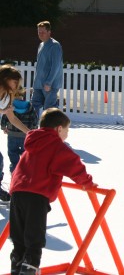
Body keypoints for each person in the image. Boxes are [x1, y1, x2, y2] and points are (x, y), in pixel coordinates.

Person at [8, 108, 97, 275]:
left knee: (19, 236)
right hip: (37, 195)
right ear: (59, 129)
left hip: (18, 192)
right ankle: (29, 267)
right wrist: (87, 183)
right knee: (34, 237)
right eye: (67, 130)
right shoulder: (55, 145)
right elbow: (73, 165)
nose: (67, 135)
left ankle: (17, 263)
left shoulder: (33, 142)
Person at [0, 65, 30, 202]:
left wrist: (29, 132)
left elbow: (12, 118)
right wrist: (2, 111)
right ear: (5, 79)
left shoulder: (8, 95)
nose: (17, 85)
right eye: (14, 82)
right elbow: (4, 112)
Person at [1, 85, 38, 174]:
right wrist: (33, 129)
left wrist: (3, 127)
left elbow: (5, 118)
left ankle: (14, 168)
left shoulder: (10, 106)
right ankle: (25, 169)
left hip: (12, 134)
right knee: (25, 152)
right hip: (25, 135)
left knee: (12, 152)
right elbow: (34, 119)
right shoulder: (29, 106)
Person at [31, 21, 63, 118]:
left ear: (49, 32)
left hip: (50, 85)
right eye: (39, 32)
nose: (40, 34)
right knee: (33, 107)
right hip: (38, 84)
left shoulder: (55, 46)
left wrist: (48, 82)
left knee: (49, 110)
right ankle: (33, 128)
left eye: (43, 32)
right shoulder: (41, 45)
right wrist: (36, 83)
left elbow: (56, 66)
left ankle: (49, 130)